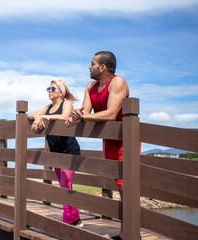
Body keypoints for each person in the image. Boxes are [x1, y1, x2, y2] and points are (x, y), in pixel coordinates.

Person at [66, 51, 130, 240]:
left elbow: (110, 114)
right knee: (118, 187)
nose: (88, 66)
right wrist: (75, 116)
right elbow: (86, 112)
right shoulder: (90, 86)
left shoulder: (118, 82)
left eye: (92, 63)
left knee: (125, 185)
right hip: (109, 141)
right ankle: (126, 233)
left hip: (126, 139)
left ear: (102, 67)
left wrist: (84, 116)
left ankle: (131, 233)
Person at [28, 79, 83, 228]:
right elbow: (30, 115)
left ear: (61, 91)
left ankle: (67, 220)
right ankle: (76, 218)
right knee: (64, 186)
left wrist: (44, 117)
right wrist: (39, 117)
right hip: (55, 152)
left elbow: (65, 117)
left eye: (52, 88)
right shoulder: (48, 107)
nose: (49, 91)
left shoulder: (66, 104)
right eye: (48, 88)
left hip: (69, 151)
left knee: (65, 183)